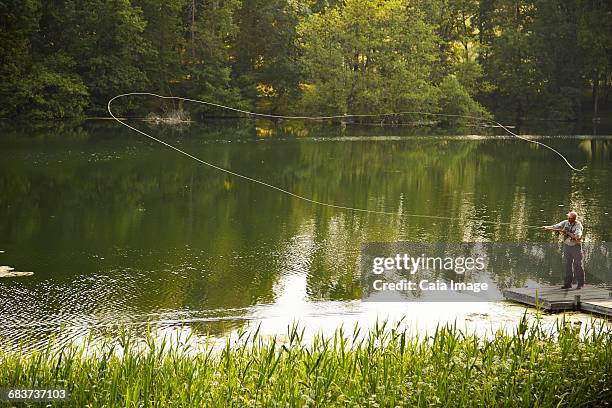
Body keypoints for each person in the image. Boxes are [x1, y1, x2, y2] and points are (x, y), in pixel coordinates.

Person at [543, 211, 584, 289]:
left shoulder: (578, 225)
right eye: (568, 217)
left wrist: (567, 232)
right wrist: (548, 227)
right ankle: (567, 284)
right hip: (567, 246)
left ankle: (580, 284)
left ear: (574, 219)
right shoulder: (565, 222)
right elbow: (556, 226)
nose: (568, 219)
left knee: (578, 265)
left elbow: (577, 236)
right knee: (567, 265)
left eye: (570, 218)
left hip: (576, 247)